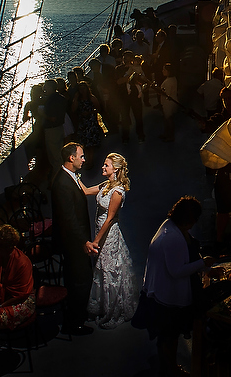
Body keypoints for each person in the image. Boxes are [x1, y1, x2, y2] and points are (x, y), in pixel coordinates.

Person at [142, 196, 214, 377]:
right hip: (167, 297)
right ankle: (170, 370)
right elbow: (176, 271)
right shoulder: (172, 237)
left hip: (159, 291)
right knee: (169, 336)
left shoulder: (171, 226)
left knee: (165, 336)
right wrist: (203, 263)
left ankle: (167, 368)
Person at [82, 153, 139, 329]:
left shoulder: (117, 191)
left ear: (115, 168)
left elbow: (110, 219)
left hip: (108, 235)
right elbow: (85, 191)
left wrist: (95, 241)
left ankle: (112, 309)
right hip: (100, 230)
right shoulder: (106, 185)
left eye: (106, 165)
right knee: (102, 268)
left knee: (109, 269)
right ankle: (101, 305)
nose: (103, 167)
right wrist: (73, 176)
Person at [50, 142, 96, 335]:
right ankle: (74, 323)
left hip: (77, 239)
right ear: (71, 158)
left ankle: (78, 315)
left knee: (81, 279)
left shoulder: (70, 177)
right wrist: (84, 241)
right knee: (79, 281)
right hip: (73, 243)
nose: (84, 159)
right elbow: (68, 219)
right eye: (81, 156)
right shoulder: (62, 184)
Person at [0, 225, 35, 332]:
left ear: (6, 247)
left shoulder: (22, 262)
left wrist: (0, 306)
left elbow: (22, 294)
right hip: (5, 299)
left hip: (22, 302)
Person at [159, 63, 178, 142]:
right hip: (169, 102)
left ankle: (170, 135)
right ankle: (166, 133)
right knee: (166, 119)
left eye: (164, 70)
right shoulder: (173, 79)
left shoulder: (169, 82)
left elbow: (166, 93)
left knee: (169, 119)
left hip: (168, 103)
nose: (162, 71)